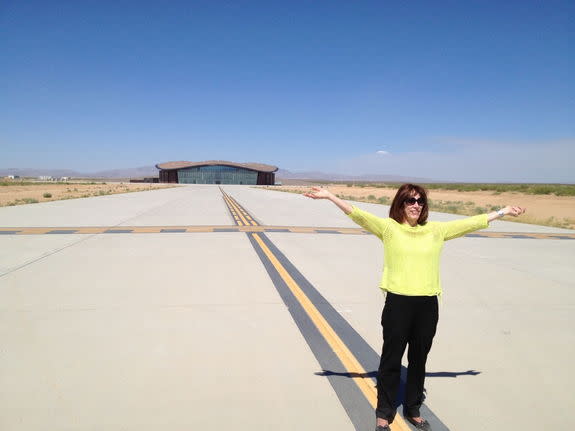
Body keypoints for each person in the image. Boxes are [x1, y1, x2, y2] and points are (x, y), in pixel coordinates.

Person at [304, 184, 525, 431]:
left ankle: (412, 409)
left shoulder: (436, 230)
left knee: (419, 360)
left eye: (420, 201)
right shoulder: (389, 228)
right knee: (391, 359)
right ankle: (384, 412)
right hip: (398, 303)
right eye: (410, 201)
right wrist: (330, 196)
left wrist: (503, 211)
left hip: (427, 305)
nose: (416, 205)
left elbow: (471, 223)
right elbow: (357, 214)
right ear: (401, 204)